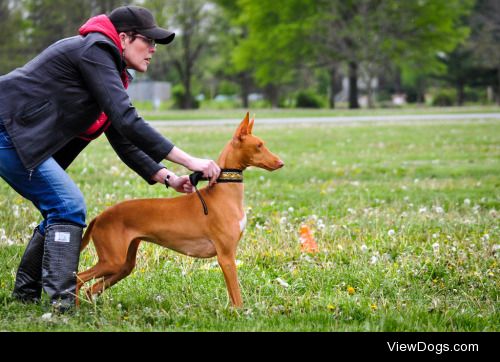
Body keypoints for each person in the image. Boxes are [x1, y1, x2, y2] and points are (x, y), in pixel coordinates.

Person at [0, 5, 220, 312]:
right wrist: (189, 160)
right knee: (67, 205)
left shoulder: (108, 67)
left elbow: (122, 136)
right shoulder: (95, 51)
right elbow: (128, 119)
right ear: (124, 39)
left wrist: (168, 177)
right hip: (8, 129)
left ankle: (25, 296)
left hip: (17, 135)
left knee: (59, 208)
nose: (153, 50)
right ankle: (63, 305)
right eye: (149, 41)